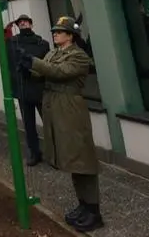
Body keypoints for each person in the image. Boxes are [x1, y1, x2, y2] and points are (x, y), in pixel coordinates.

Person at [18, 16, 102, 232]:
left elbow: (59, 72)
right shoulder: (54, 52)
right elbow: (43, 71)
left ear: (70, 35)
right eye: (54, 31)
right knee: (73, 160)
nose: (54, 34)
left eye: (59, 31)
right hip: (56, 108)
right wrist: (28, 68)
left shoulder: (79, 56)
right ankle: (83, 205)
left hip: (70, 110)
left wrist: (33, 61)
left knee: (82, 159)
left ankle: (93, 211)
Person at [0, 14, 49, 166]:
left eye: (26, 21)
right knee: (29, 125)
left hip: (40, 88)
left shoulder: (42, 43)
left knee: (49, 123)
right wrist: (4, 29)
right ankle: (35, 153)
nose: (23, 24)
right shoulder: (12, 42)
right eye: (20, 22)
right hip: (22, 89)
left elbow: (48, 65)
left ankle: (54, 153)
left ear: (31, 24)